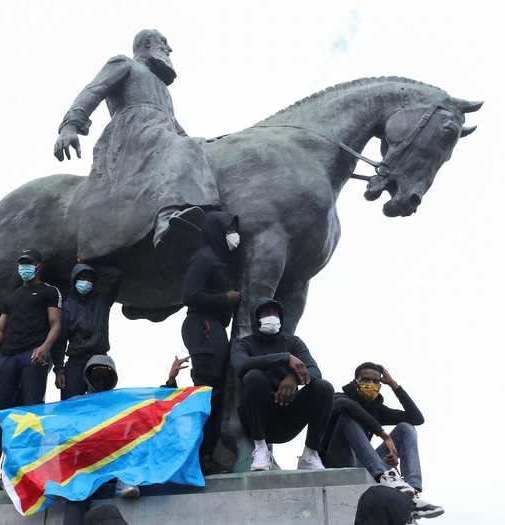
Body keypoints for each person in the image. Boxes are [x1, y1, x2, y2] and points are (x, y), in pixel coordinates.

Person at [53, 29, 220, 267]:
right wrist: (70, 126)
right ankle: (168, 218)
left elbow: (173, 124)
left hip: (161, 135)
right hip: (132, 133)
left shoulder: (162, 89)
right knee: (182, 146)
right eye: (164, 42)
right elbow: (93, 90)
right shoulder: (125, 64)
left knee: (191, 146)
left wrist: (201, 144)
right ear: (147, 43)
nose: (169, 49)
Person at [0, 248, 62, 493]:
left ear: (38, 266)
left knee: (31, 414)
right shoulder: (11, 296)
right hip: (7, 356)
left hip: (33, 355)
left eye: (28, 263)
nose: (24, 268)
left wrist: (45, 348)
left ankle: (29, 474)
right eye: (21, 263)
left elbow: (56, 324)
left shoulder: (50, 291)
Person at [62, 354, 188, 525]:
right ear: (87, 376)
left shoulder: (121, 402)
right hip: (86, 465)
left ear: (113, 377)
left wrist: (170, 380)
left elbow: (150, 409)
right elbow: (58, 427)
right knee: (75, 496)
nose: (100, 377)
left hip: (117, 460)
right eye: (96, 372)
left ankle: (126, 479)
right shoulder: (76, 403)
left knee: (137, 428)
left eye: (105, 372)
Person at [320, 362, 443, 518]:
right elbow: (346, 405)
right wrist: (383, 434)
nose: (371, 384)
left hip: (363, 462)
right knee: (348, 417)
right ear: (355, 382)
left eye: (375, 381)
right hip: (336, 459)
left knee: (406, 428)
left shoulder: (377, 409)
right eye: (366, 379)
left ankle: (412, 492)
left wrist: (394, 385)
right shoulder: (339, 397)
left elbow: (416, 418)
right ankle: (384, 476)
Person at [230, 299, 333, 471]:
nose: (272, 317)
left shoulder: (293, 342)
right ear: (256, 319)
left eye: (275, 313)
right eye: (266, 313)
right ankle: (261, 449)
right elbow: (241, 365)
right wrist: (285, 358)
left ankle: (310, 454)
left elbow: (314, 371)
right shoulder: (244, 343)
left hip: (288, 416)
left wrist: (293, 377)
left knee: (324, 387)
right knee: (254, 376)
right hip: (257, 419)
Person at [180, 211, 241, 471]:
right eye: (228, 230)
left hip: (214, 327)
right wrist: (225, 299)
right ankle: (200, 455)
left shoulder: (218, 259)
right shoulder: (204, 258)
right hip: (202, 324)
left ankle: (209, 453)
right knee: (207, 390)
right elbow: (189, 295)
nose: (233, 236)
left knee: (218, 390)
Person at [53, 262, 122, 400]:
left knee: (101, 405)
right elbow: (60, 341)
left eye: (89, 279)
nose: (86, 282)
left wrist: (90, 261)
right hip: (75, 361)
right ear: (74, 281)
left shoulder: (103, 301)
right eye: (82, 278)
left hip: (99, 360)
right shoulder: (67, 306)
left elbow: (116, 275)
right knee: (70, 406)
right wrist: (59, 370)